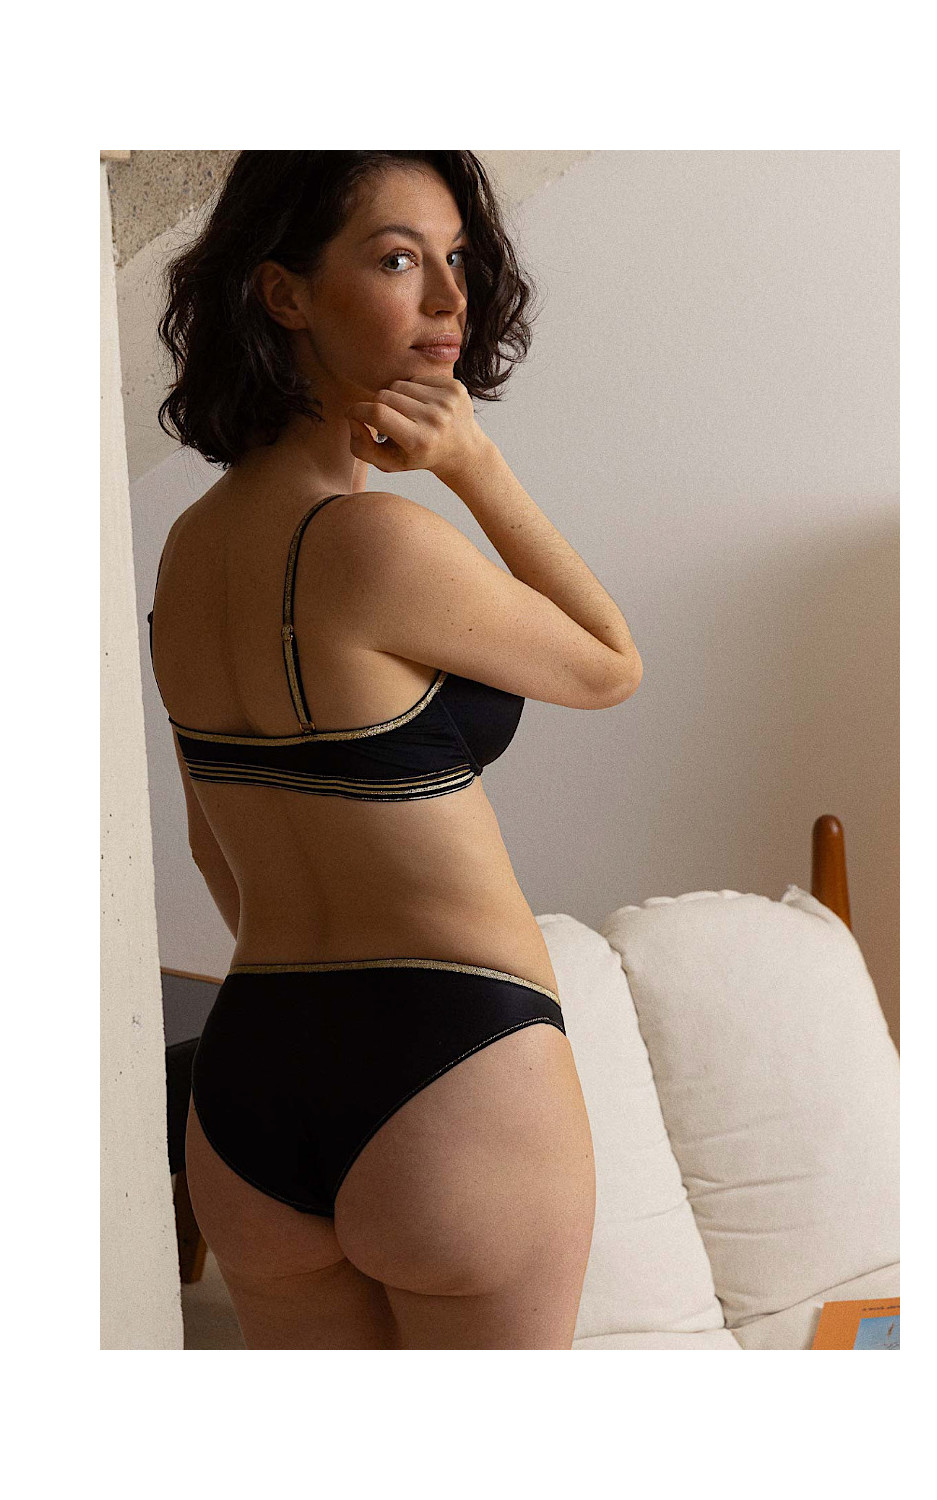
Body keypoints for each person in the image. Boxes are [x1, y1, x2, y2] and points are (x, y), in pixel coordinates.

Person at [149, 150, 642, 1349]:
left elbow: (217, 851)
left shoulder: (186, 554)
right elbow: (608, 665)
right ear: (284, 293)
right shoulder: (378, 542)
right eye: (397, 258)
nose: (449, 298)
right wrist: (475, 466)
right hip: (453, 1064)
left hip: (251, 1075)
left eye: (455, 258)